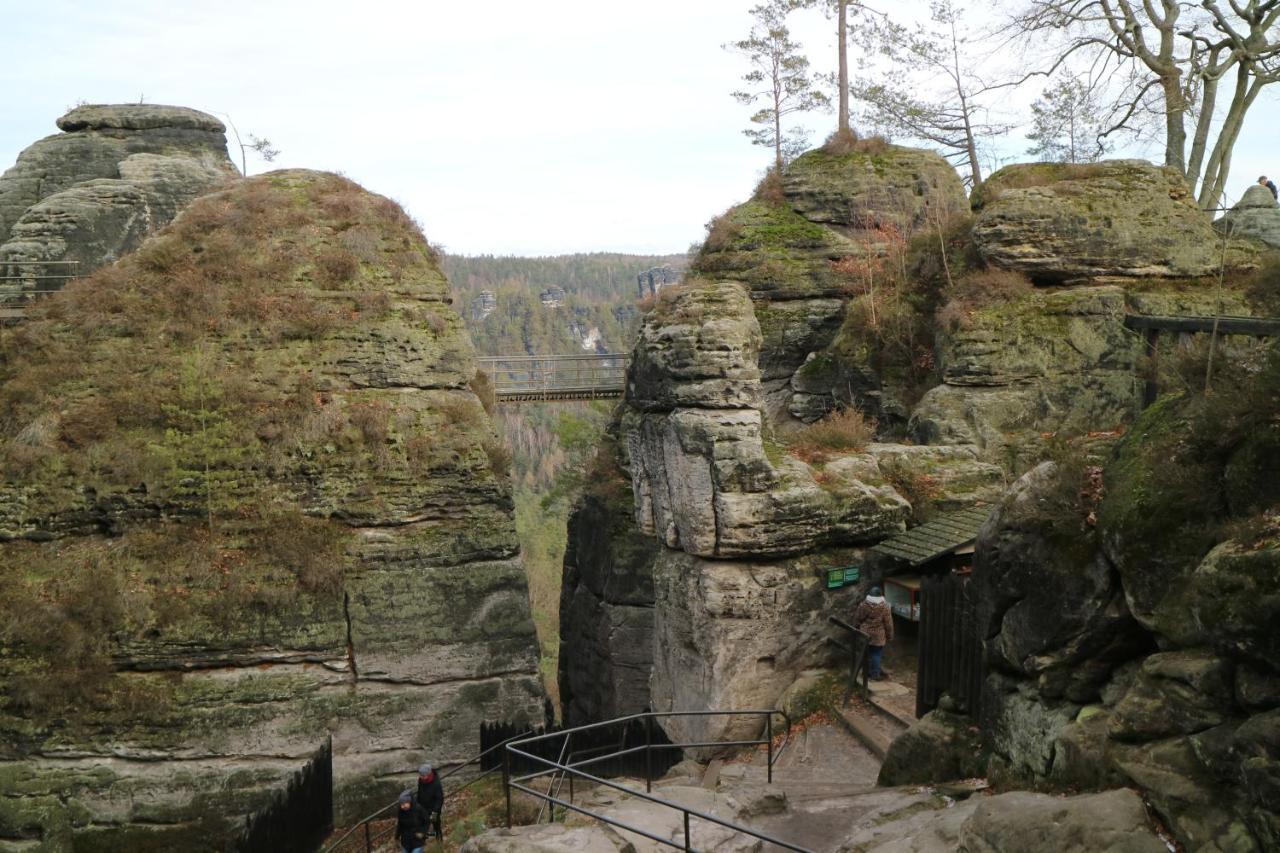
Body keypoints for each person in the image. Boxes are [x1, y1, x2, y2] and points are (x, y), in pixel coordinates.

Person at [853, 586, 894, 680]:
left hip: (865, 633)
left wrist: (855, 628)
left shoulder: (863, 605)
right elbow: (888, 623)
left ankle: (866, 672)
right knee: (876, 654)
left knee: (866, 653)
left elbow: (857, 618)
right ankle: (875, 674)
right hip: (878, 635)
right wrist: (890, 635)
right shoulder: (885, 607)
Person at [394, 789, 431, 853]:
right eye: (401, 804)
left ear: (409, 801)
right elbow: (400, 825)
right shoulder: (401, 812)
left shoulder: (418, 809)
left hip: (417, 839)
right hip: (405, 841)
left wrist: (422, 832)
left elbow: (427, 822)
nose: (403, 806)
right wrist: (396, 837)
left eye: (405, 803)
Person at [416, 763, 444, 841]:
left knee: (436, 825)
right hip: (423, 808)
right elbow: (419, 792)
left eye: (423, 776)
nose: (421, 777)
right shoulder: (421, 780)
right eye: (420, 775)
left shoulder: (436, 784)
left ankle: (439, 841)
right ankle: (421, 842)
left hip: (434, 809)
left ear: (428, 775)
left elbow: (439, 799)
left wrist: (435, 813)